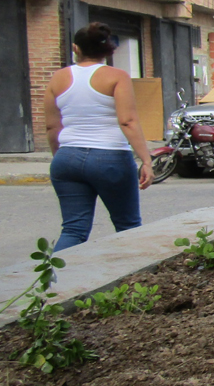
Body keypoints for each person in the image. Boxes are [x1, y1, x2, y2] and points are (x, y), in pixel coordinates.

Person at [43, 22, 154, 251]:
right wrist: (146, 160)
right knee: (128, 225)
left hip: (67, 156)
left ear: (76, 48)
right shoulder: (117, 76)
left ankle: (54, 283)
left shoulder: (58, 78)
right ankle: (132, 283)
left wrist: (61, 157)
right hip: (110, 157)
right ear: (108, 50)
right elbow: (128, 121)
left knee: (73, 229)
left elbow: (52, 127)